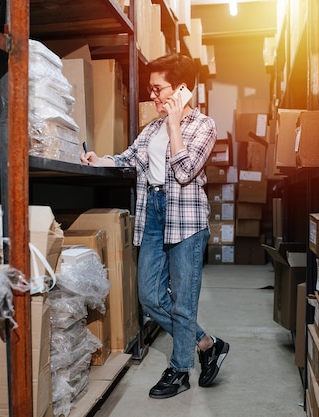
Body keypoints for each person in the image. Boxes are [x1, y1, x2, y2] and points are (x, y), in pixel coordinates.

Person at [81, 53, 229, 399]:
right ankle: (207, 344)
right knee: (149, 297)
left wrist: (175, 123)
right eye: (151, 90)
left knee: (183, 303)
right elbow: (126, 160)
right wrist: (98, 159)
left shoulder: (203, 126)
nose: (153, 97)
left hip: (187, 220)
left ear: (180, 89)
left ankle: (180, 370)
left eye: (158, 89)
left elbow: (184, 171)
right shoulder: (150, 129)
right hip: (153, 215)